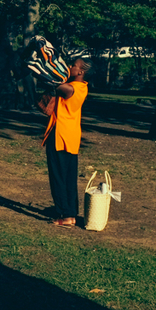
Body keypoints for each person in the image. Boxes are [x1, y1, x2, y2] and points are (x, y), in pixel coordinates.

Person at [42, 57, 90, 227]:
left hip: (60, 136)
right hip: (70, 137)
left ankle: (64, 213)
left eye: (73, 65)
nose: (69, 67)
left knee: (58, 176)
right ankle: (70, 213)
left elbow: (57, 85)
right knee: (68, 177)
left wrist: (43, 69)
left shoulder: (74, 88)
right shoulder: (79, 86)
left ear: (81, 71)